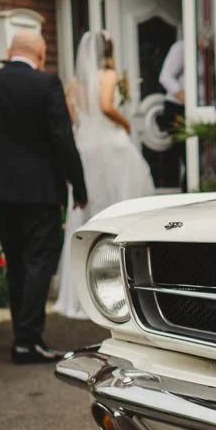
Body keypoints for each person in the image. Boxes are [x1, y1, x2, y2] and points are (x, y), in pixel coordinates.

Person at [0, 30, 87, 364]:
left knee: (16, 264)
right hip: (40, 193)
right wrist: (78, 187)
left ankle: (23, 337)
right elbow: (62, 139)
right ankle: (27, 341)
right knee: (39, 262)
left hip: (0, 193)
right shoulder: (46, 84)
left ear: (9, 51)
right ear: (41, 53)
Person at [53, 31, 157, 318]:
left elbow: (74, 117)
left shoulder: (75, 84)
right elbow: (106, 105)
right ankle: (121, 285)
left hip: (85, 148)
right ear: (108, 51)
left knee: (87, 210)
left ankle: (78, 294)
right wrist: (125, 123)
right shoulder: (108, 75)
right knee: (121, 207)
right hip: (112, 149)